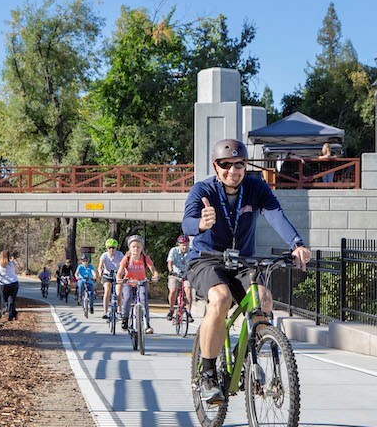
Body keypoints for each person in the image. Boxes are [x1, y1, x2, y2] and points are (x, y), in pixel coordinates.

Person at [182, 138, 311, 404]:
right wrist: (201, 225)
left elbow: (276, 214)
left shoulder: (255, 188)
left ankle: (253, 356)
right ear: (216, 167)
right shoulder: (202, 190)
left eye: (238, 164)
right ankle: (207, 373)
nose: (232, 170)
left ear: (245, 165)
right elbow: (187, 224)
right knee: (220, 298)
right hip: (206, 259)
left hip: (242, 261)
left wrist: (296, 244)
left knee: (263, 299)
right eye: (225, 165)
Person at [117, 235, 160, 334]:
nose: (136, 249)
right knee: (127, 298)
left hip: (141, 282)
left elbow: (153, 269)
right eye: (133, 247)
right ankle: (125, 319)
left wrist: (155, 276)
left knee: (144, 300)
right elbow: (119, 273)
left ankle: (147, 324)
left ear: (141, 248)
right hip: (129, 282)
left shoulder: (145, 258)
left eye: (138, 247)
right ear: (130, 248)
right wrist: (119, 279)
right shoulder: (126, 258)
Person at [166, 235, 193, 323]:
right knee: (173, 289)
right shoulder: (174, 250)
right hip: (175, 274)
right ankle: (171, 309)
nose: (184, 247)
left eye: (186, 244)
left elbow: (195, 262)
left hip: (187, 274)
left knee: (188, 289)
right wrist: (171, 271)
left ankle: (189, 312)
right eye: (182, 245)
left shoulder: (191, 251)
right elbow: (170, 262)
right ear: (179, 244)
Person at [97, 238, 124, 319]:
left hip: (118, 275)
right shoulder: (104, 255)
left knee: (118, 292)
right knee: (107, 291)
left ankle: (119, 310)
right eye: (109, 248)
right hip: (107, 275)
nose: (111, 250)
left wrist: (124, 272)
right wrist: (100, 272)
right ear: (107, 248)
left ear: (116, 248)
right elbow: (100, 266)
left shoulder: (120, 254)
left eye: (113, 248)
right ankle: (105, 312)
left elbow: (123, 265)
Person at [0, 250, 20, 321]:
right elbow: (17, 271)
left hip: (3, 284)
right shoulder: (12, 263)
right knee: (11, 300)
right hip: (14, 283)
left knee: (4, 300)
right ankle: (14, 313)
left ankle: (11, 315)